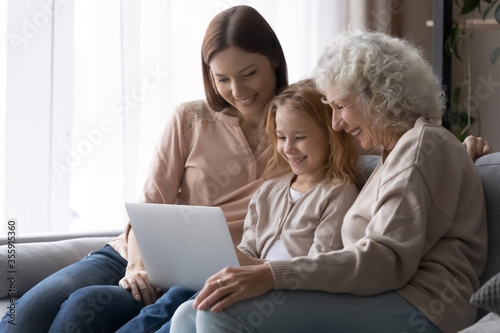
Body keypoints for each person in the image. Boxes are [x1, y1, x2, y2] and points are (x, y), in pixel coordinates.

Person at [170, 30, 488, 333]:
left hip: (423, 305)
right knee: (189, 311)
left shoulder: (420, 147)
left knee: (220, 311)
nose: (335, 123)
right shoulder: (396, 153)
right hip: (380, 296)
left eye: (338, 106)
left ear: (377, 96)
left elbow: (383, 262)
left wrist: (272, 274)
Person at [0, 5, 288, 332]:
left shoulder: (301, 130)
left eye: (249, 73)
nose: (237, 91)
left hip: (202, 272)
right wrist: (136, 268)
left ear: (274, 59)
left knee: (81, 309)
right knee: (23, 315)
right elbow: (150, 203)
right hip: (131, 255)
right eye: (222, 78)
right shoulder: (189, 119)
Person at [115, 78, 361, 332]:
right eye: (280, 137)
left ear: (331, 136)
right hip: (250, 282)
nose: (288, 148)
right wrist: (231, 259)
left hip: (285, 293)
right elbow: (248, 248)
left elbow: (318, 268)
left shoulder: (339, 194)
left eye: (299, 137)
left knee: (198, 306)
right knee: (179, 302)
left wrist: (250, 268)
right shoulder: (269, 190)